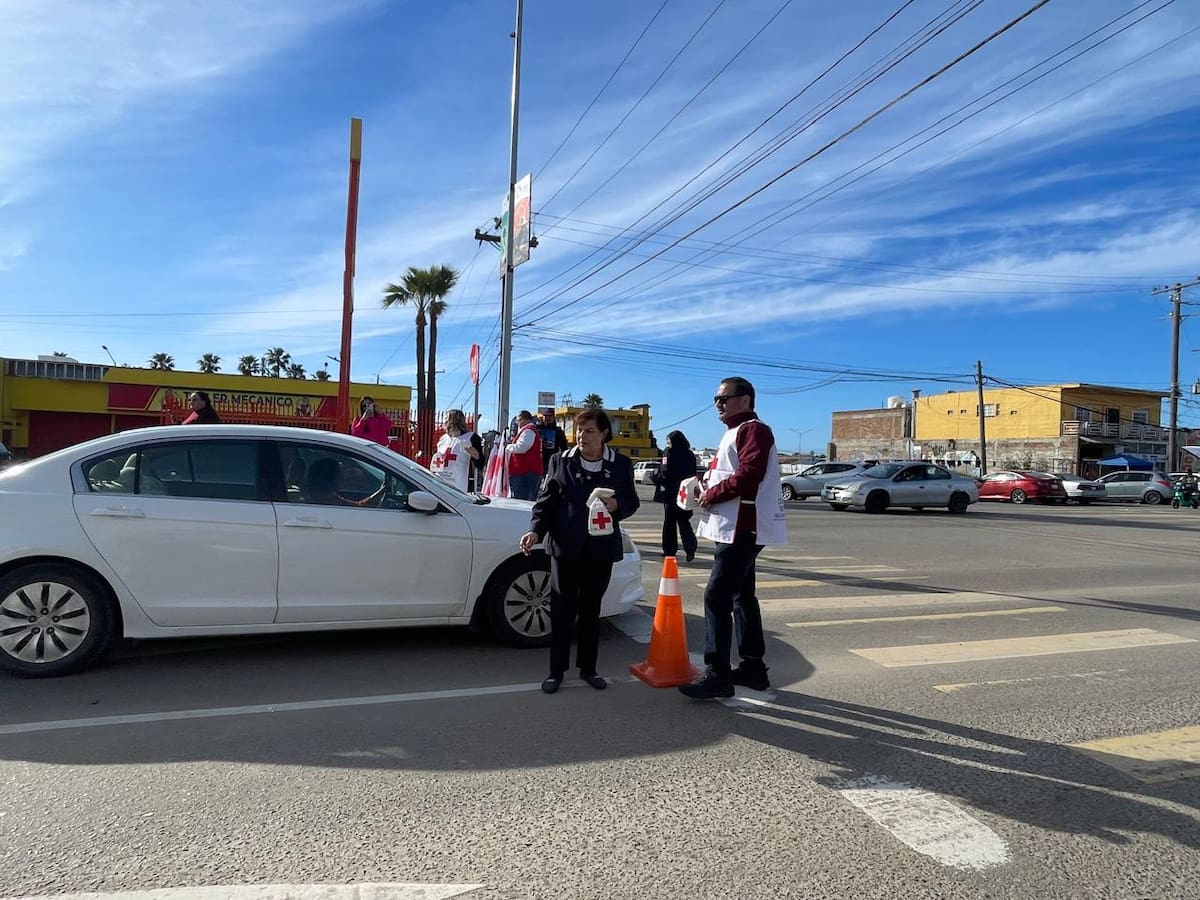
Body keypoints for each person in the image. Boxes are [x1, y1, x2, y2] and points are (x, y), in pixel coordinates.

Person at [679, 376, 787, 700]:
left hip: (743, 526)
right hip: (735, 525)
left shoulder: (754, 429)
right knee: (741, 595)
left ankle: (718, 674)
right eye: (716, 399)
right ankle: (753, 667)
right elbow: (731, 472)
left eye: (724, 398)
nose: (718, 404)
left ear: (746, 399)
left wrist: (712, 493)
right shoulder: (734, 432)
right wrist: (701, 483)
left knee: (716, 596)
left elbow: (749, 474)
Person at [519, 408, 639, 694]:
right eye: (580, 430)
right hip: (565, 547)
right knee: (561, 610)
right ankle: (555, 671)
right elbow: (545, 502)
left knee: (590, 611)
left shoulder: (620, 465)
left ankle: (589, 668)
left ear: (604, 434)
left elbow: (631, 501)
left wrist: (617, 505)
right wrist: (536, 530)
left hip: (600, 549)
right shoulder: (560, 462)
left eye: (590, 431)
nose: (582, 437)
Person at [653, 430, 699, 563]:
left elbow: (664, 471)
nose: (667, 443)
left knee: (670, 523)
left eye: (668, 441)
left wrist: (657, 478)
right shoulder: (690, 454)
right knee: (684, 521)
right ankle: (690, 548)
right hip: (686, 492)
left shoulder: (669, 452)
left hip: (671, 492)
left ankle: (669, 551)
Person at [431, 409, 480, 492]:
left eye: (446, 419)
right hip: (440, 484)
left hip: (458, 486)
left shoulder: (470, 438)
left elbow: (479, 461)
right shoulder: (443, 439)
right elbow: (438, 461)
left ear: (454, 421)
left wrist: (474, 454)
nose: (444, 422)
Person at [506, 410, 543, 500]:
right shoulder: (528, 431)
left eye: (519, 420)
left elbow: (522, 447)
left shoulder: (528, 431)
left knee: (523, 501)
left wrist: (508, 447)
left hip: (526, 472)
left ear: (525, 419)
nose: (518, 423)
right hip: (524, 472)